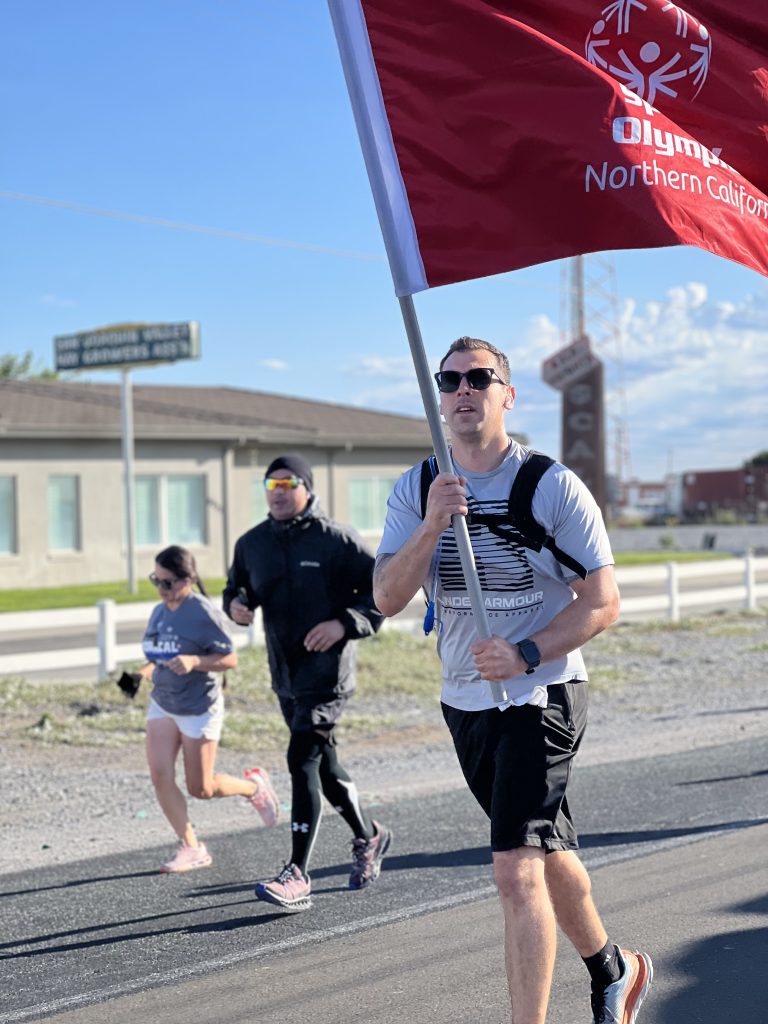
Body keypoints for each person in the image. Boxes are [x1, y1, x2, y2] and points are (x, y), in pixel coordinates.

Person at [373, 338, 653, 1024]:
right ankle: (615, 970)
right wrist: (434, 525)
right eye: (450, 380)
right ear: (438, 396)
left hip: (542, 694)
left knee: (513, 867)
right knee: (545, 849)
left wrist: (528, 650)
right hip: (465, 700)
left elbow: (603, 601)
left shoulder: (550, 486)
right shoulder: (417, 489)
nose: (463, 390)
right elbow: (384, 597)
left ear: (507, 394)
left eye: (479, 378)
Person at [223, 453, 392, 911]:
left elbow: (383, 592)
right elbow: (237, 589)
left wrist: (344, 623)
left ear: (307, 489)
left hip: (328, 676)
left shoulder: (335, 540)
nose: (278, 493)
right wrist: (236, 607)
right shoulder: (252, 543)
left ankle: (297, 873)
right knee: (322, 766)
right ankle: (369, 836)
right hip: (285, 674)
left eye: (287, 483)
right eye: (270, 486)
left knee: (301, 758)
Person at [139, 545, 280, 874]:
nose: (162, 589)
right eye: (156, 581)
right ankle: (191, 846)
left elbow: (230, 659)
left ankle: (254, 787)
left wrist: (194, 662)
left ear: (188, 579)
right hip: (163, 701)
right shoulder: (160, 612)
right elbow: (158, 655)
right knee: (160, 775)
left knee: (200, 788)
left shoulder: (203, 613)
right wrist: (140, 674)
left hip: (199, 707)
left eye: (168, 582)